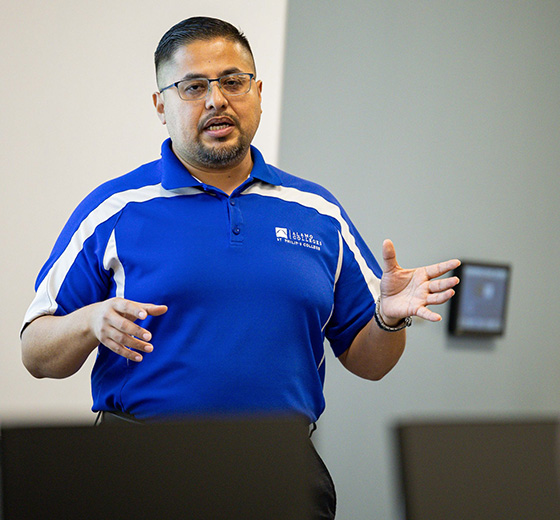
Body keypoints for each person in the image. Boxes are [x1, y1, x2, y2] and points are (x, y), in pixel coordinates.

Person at [20, 17, 460, 519]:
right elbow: (35, 352)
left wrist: (389, 317)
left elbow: (370, 362)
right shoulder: (114, 208)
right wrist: (89, 321)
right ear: (161, 105)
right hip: (137, 469)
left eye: (233, 81)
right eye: (193, 87)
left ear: (257, 93)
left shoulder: (318, 212)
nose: (216, 100)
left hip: (279, 471)